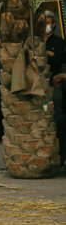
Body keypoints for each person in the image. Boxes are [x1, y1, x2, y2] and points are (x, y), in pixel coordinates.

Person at [43, 10, 66, 169]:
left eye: (48, 22)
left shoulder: (58, 42)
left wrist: (50, 54)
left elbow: (61, 58)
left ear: (54, 24)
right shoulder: (36, 41)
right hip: (39, 86)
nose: (46, 25)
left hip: (54, 83)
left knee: (56, 116)